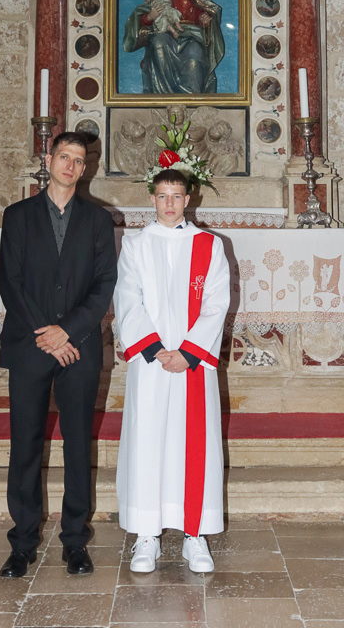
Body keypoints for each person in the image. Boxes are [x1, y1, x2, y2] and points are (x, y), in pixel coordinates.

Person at [0, 132, 117, 578]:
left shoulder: (98, 220)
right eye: (64, 156)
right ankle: (22, 543)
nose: (70, 165)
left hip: (79, 347)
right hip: (30, 345)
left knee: (77, 442)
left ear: (85, 169)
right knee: (25, 443)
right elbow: (10, 282)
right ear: (48, 159)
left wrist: (68, 331)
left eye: (79, 160)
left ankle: (75, 542)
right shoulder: (18, 216)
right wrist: (46, 335)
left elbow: (104, 283)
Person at [114, 168, 230, 574]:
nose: (169, 203)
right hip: (151, 363)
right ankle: (147, 534)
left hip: (192, 364)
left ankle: (194, 535)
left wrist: (189, 353)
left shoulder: (209, 245)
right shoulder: (135, 245)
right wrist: (155, 349)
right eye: (162, 196)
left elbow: (217, 302)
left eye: (176, 196)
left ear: (188, 199)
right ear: (152, 198)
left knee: (194, 443)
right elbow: (127, 299)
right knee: (147, 442)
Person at [123, 0, 225, 95]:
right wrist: (150, 17)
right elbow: (143, 21)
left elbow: (201, 15)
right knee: (159, 43)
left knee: (195, 53)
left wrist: (205, 20)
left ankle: (193, 99)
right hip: (165, 34)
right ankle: (162, 98)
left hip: (191, 37)